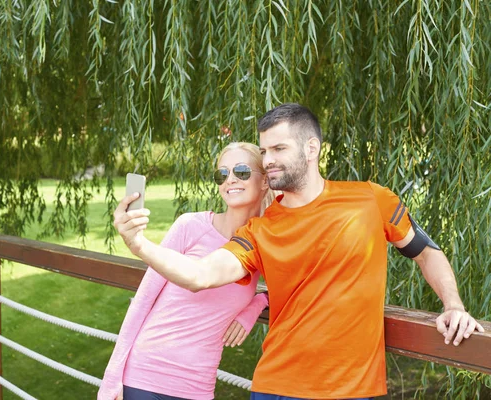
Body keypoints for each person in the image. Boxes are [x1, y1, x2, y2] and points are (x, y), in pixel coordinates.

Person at [113, 103, 485, 400]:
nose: (268, 159)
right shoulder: (260, 229)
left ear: (311, 148)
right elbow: (200, 275)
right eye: (264, 150)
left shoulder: (370, 199)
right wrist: (139, 244)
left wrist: (453, 306)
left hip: (352, 389)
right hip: (276, 387)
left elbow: (427, 253)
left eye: (278, 148)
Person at [99, 142, 274, 400]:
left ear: (265, 182)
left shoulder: (262, 244)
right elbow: (143, 300)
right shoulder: (191, 226)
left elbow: (293, 286)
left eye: (242, 172)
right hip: (144, 377)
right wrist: (111, 377)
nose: (230, 180)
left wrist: (257, 304)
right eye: (222, 174)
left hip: (198, 386)